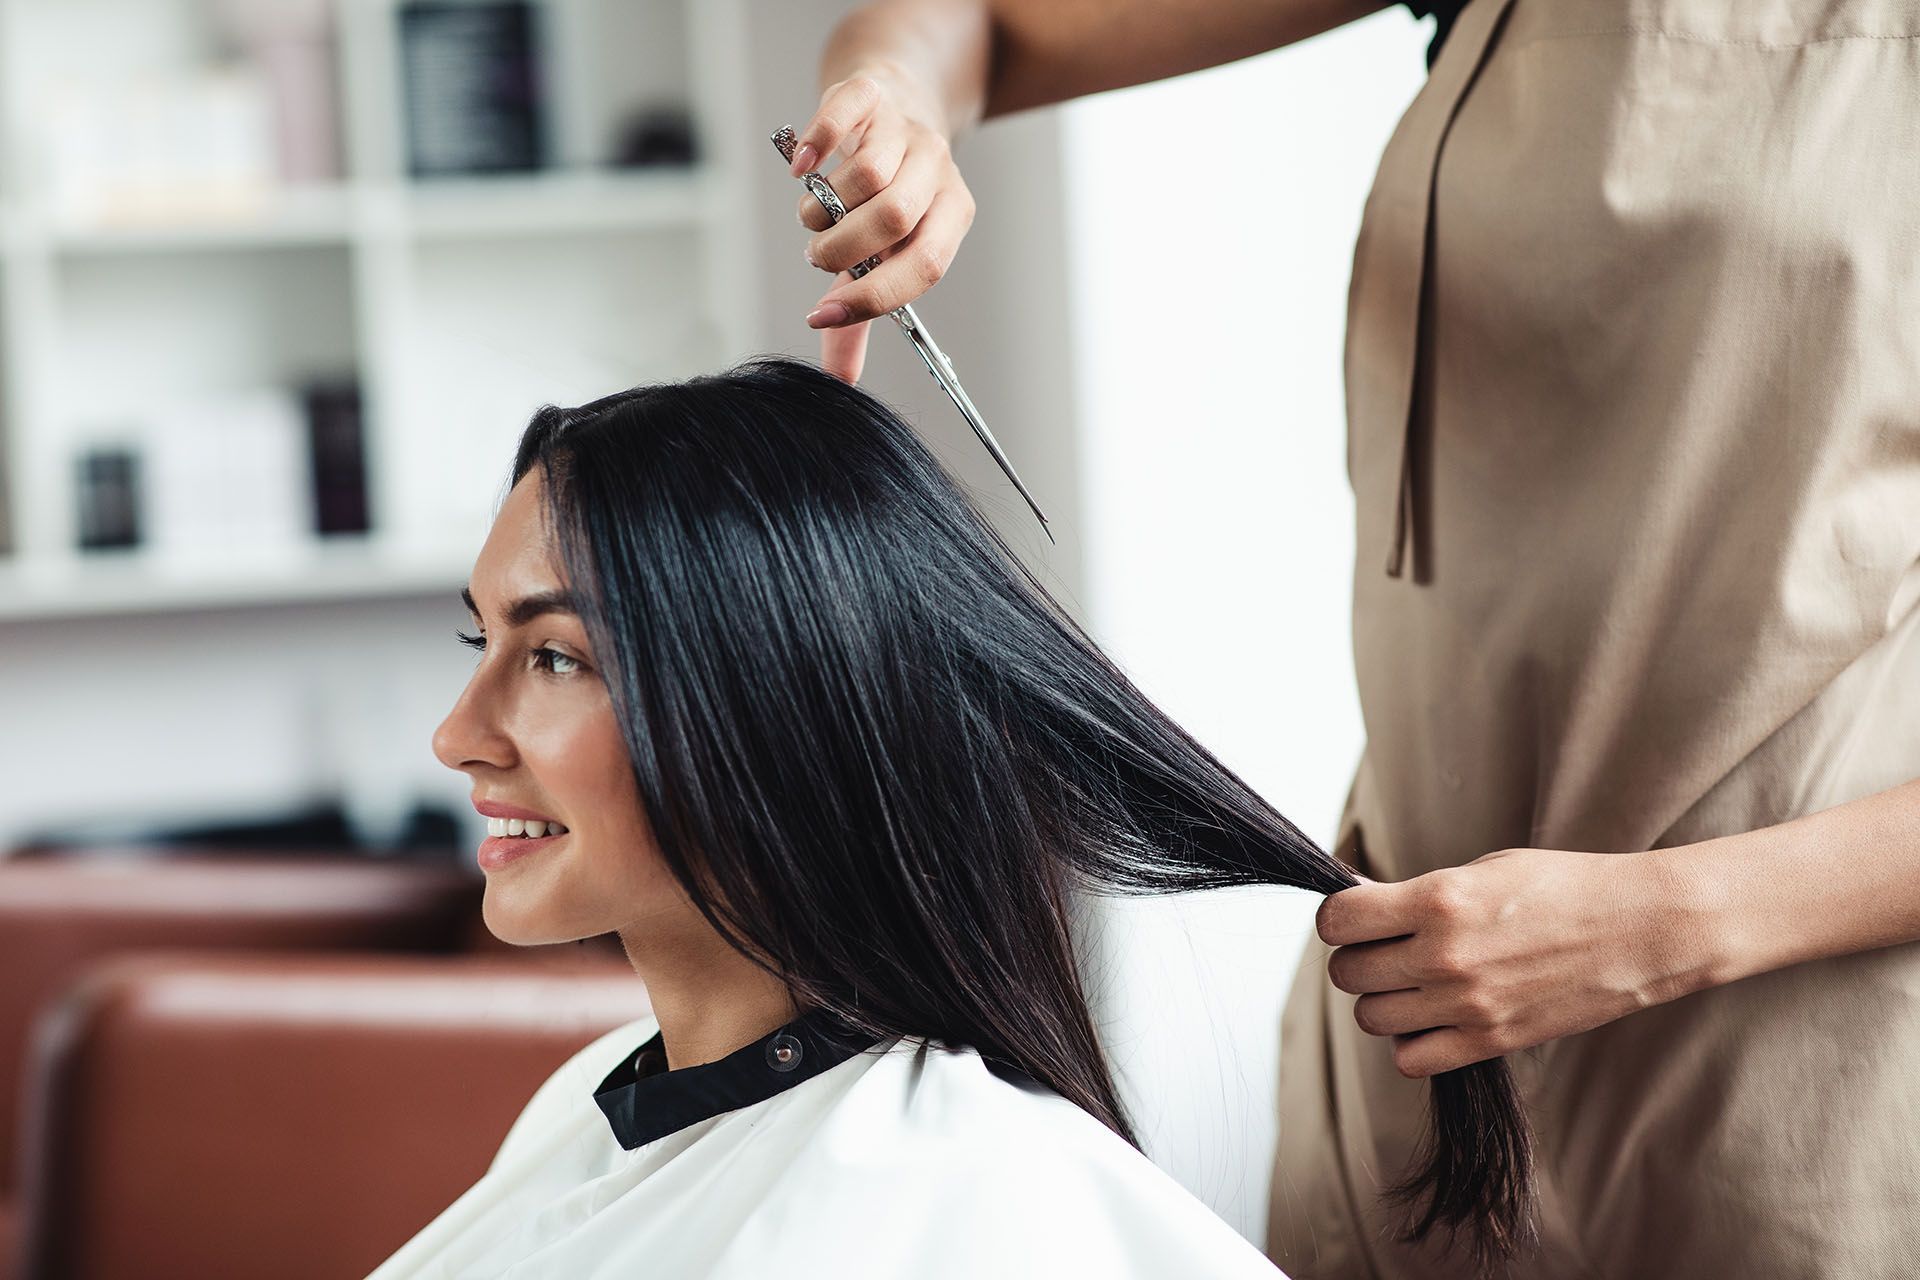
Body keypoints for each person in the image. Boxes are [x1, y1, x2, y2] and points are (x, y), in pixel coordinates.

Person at [789, 2, 1920, 1278]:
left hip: (1804, 1061)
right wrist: (897, 104)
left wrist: (1650, 925)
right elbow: (972, 20)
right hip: (1419, 1034)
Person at [364, 358, 1526, 1279]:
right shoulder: (590, 1103)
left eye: (556, 655)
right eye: (485, 641)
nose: (459, 731)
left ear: (773, 694)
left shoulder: (942, 1180)